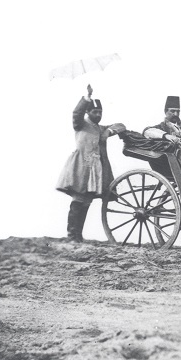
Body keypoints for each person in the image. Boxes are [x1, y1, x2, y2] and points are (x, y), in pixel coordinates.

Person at [56, 85, 126, 242]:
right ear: (88, 112)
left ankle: (78, 235)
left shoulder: (101, 128)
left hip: (95, 170)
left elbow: (121, 126)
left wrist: (109, 132)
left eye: (100, 112)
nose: (98, 115)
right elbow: (76, 113)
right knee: (78, 200)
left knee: (86, 201)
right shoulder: (80, 124)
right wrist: (87, 97)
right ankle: (71, 235)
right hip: (81, 167)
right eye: (95, 112)